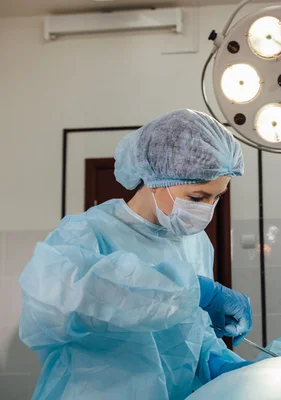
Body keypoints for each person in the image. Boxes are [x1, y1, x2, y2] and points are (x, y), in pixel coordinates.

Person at [19, 110, 254, 400]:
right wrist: (196, 290)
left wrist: (214, 359)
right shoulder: (86, 233)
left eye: (217, 197)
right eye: (197, 197)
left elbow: (190, 328)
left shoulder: (196, 243)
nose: (208, 208)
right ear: (156, 179)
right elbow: (61, 305)